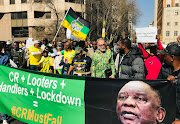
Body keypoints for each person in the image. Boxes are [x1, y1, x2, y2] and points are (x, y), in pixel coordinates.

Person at [158, 42, 180, 120]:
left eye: (165, 55)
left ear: (172, 58)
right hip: (166, 114)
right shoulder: (164, 69)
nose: (163, 57)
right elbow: (157, 88)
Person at [0, 42, 10, 124]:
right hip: (2, 80)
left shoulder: (5, 57)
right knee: (2, 100)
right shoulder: (5, 57)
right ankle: (4, 119)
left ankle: (4, 118)